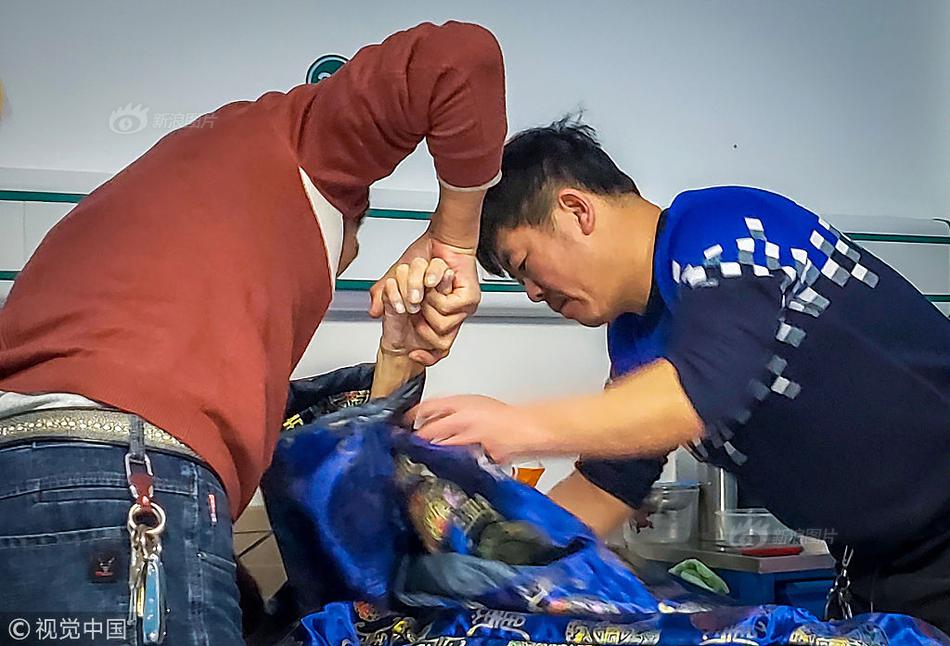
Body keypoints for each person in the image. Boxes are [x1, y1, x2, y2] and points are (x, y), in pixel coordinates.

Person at [0, 21, 505, 643]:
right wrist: (455, 240)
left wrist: (394, 360)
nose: (335, 274)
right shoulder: (307, 148)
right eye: (344, 259)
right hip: (126, 481)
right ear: (349, 216)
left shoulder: (135, 220)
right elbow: (457, 56)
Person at [411, 117, 950, 630]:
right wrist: (487, 563)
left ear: (576, 210)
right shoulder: (636, 339)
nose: (531, 292)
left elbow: (703, 389)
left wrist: (519, 427)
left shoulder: (722, 229)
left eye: (524, 263)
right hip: (882, 559)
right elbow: (606, 486)